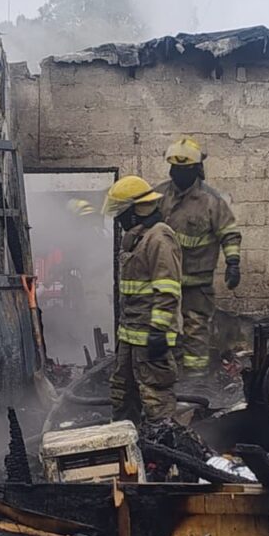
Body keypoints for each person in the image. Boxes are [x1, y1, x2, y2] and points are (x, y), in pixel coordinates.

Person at [153, 137, 243, 378]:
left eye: (183, 169)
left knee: (196, 330)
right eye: (175, 168)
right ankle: (166, 375)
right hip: (163, 280)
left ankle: (194, 380)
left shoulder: (211, 201)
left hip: (197, 280)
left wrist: (233, 262)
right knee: (163, 328)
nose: (177, 173)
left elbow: (229, 232)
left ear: (195, 169)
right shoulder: (159, 195)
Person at [102, 176, 183, 425]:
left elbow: (167, 290)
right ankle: (126, 452)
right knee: (122, 395)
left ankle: (168, 456)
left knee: (155, 399)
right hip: (131, 336)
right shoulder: (139, 239)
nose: (119, 221)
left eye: (122, 214)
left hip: (151, 336)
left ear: (138, 210)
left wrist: (159, 330)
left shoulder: (159, 239)